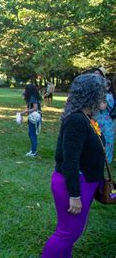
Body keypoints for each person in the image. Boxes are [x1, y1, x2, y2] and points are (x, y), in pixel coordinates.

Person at [42, 74, 107, 257]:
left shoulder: (87, 118)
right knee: (67, 233)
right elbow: (70, 160)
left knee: (72, 232)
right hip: (74, 183)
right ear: (91, 94)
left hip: (84, 182)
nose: (104, 96)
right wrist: (75, 195)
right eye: (101, 92)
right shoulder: (77, 120)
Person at [93, 70, 114, 163]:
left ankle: (105, 162)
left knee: (106, 141)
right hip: (96, 120)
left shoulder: (108, 96)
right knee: (97, 142)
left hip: (106, 123)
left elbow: (102, 107)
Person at [21, 84, 42, 157]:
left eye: (25, 90)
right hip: (32, 117)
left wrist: (26, 112)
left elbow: (35, 108)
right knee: (31, 133)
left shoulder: (32, 97)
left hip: (34, 118)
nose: (24, 91)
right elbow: (29, 107)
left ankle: (34, 152)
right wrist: (23, 113)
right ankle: (33, 149)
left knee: (32, 134)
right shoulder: (32, 97)